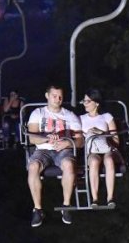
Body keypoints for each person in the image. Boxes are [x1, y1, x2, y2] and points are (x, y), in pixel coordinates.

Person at [26, 84, 83, 227]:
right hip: (43, 149)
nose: (58, 99)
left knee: (69, 165)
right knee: (33, 166)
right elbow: (32, 138)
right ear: (47, 96)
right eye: (54, 96)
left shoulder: (69, 116)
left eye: (60, 97)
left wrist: (68, 144)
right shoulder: (38, 113)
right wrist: (46, 139)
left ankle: (66, 206)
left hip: (63, 149)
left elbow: (80, 141)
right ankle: (37, 209)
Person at [81, 88, 119, 208]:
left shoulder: (106, 117)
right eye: (84, 101)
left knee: (109, 160)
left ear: (96, 103)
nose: (85, 103)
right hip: (92, 150)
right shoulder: (81, 118)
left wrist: (101, 133)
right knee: (93, 161)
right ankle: (95, 198)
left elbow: (116, 139)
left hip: (107, 148)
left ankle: (110, 197)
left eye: (88, 101)